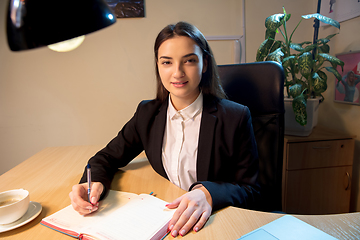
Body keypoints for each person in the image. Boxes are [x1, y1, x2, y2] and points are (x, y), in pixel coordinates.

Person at [69, 21, 260, 237]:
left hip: (214, 222)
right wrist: (92, 183)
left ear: (204, 64)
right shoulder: (147, 113)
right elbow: (106, 158)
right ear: (158, 66)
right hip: (165, 217)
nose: (177, 73)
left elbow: (251, 189)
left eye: (189, 60)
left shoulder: (236, 117)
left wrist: (208, 193)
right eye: (167, 62)